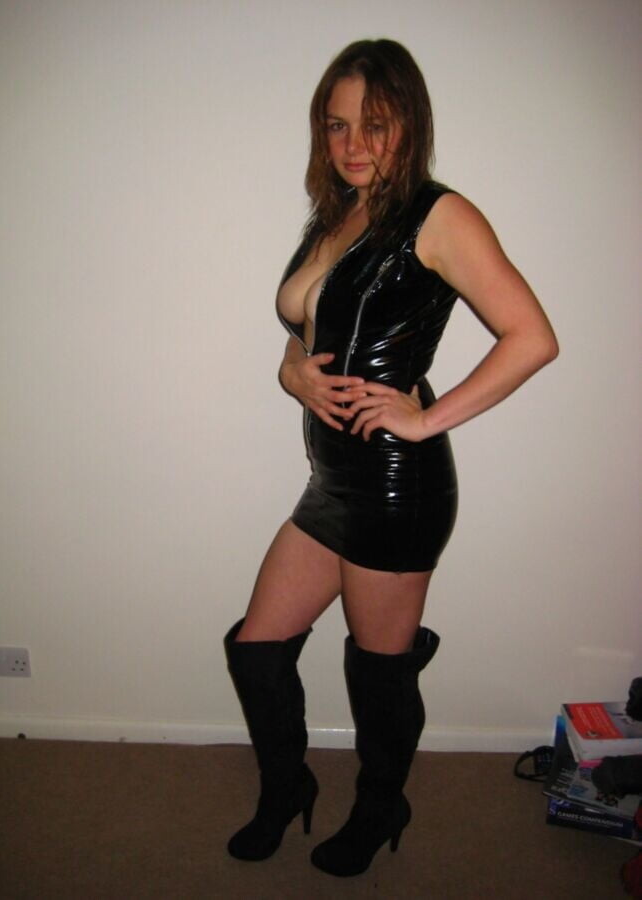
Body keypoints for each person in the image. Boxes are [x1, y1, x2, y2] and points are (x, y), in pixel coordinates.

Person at [223, 38, 558, 878]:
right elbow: (306, 327)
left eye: (373, 124)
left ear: (408, 123)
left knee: (376, 670)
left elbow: (531, 337)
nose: (352, 144)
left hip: (395, 484)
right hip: (330, 482)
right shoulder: (337, 214)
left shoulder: (439, 216)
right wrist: (292, 371)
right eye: (336, 125)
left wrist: (426, 418)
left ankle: (380, 805)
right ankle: (287, 788)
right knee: (257, 646)